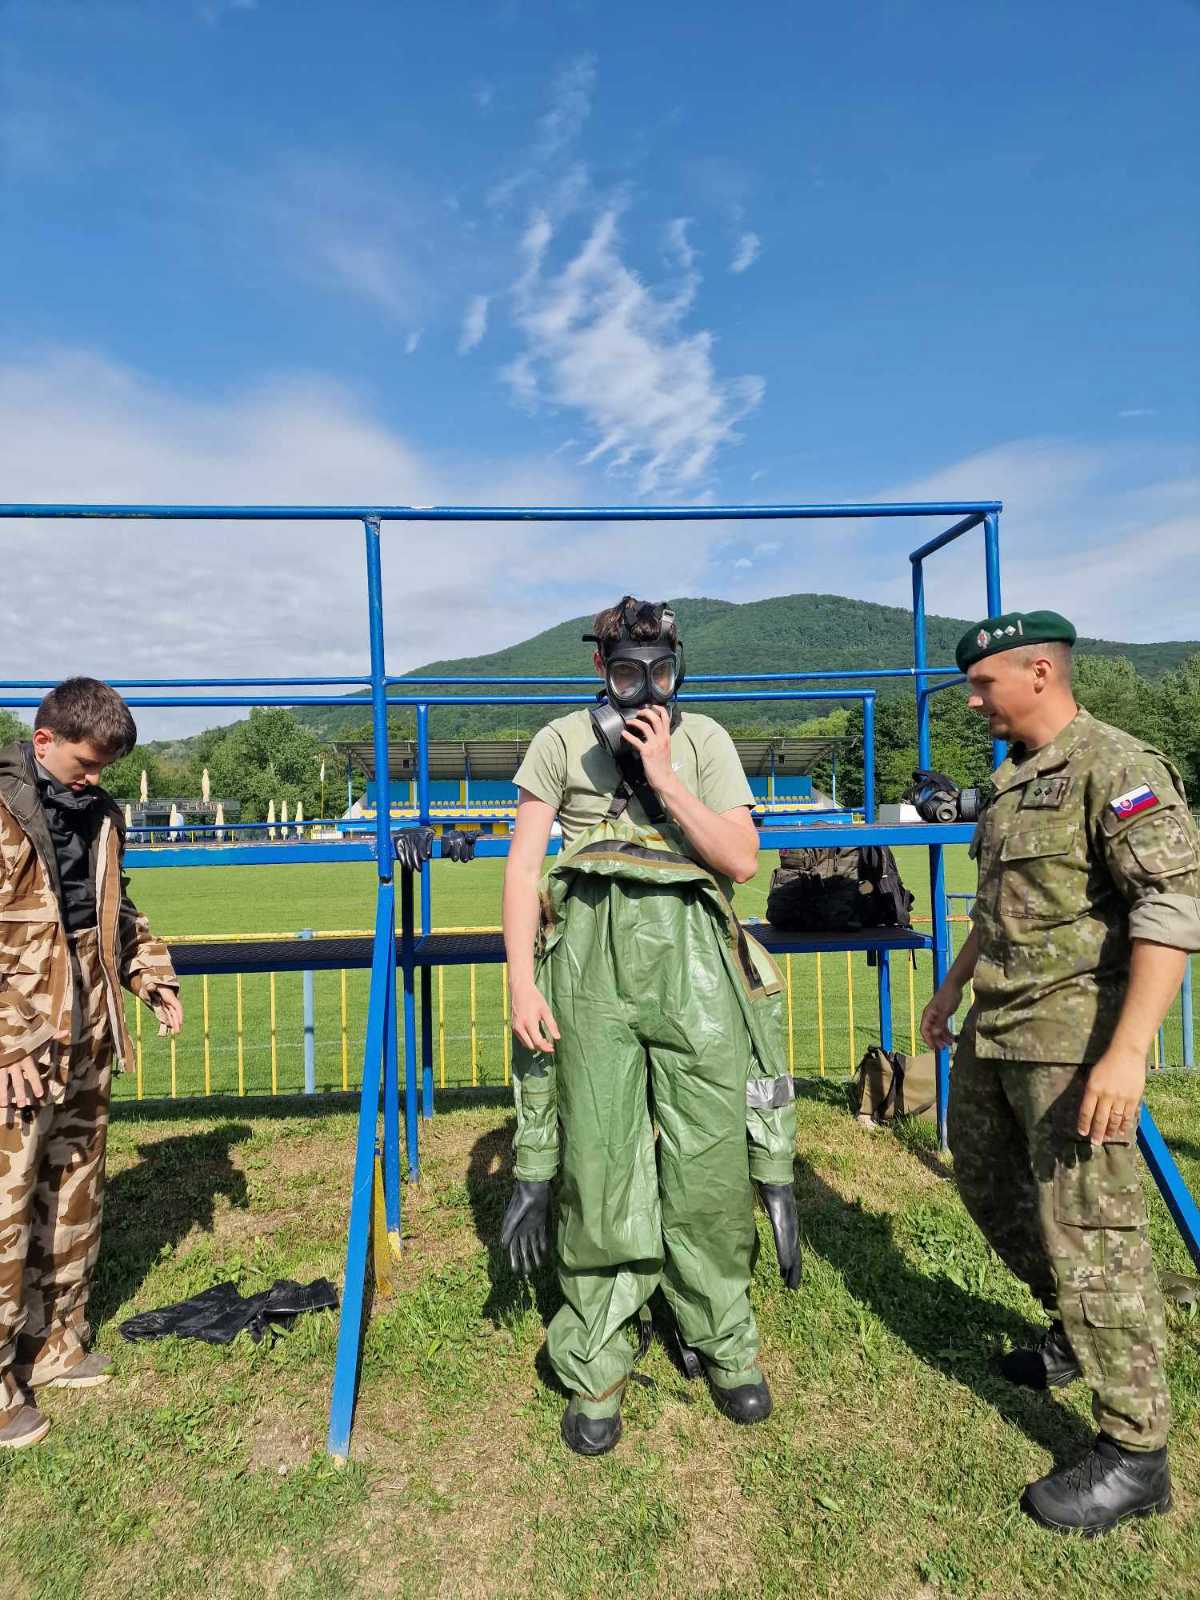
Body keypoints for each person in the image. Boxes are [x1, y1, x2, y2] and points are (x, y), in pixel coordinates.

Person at [499, 597, 800, 1456]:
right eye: (628, 673)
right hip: (588, 965)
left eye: (661, 673)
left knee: (708, 1156)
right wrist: (522, 982)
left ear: (677, 669)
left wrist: (665, 776)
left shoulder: (704, 742)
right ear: (602, 668)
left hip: (694, 961)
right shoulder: (560, 742)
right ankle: (598, 1351)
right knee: (601, 1158)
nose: (645, 691)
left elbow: (740, 859)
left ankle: (720, 1332)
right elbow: (523, 867)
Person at [921, 611, 1200, 1534]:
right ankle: (1073, 1331)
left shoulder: (1116, 768)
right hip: (997, 1029)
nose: (972, 700)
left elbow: (1170, 909)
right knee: (987, 1183)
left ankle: (1136, 1452)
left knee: (1091, 1232)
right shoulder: (1014, 780)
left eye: (983, 683)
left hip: (1074, 1046)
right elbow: (996, 911)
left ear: (1039, 672)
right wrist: (952, 989)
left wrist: (1128, 1052)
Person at [0, 678, 182, 1450]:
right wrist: (7, 1038)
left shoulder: (101, 814)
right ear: (43, 741)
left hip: (86, 1022)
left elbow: (113, 909)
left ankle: (52, 1342)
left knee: (73, 1186)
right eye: (86, 762)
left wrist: (148, 972)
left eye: (105, 766)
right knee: (6, 1203)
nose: (95, 778)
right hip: (15, 1037)